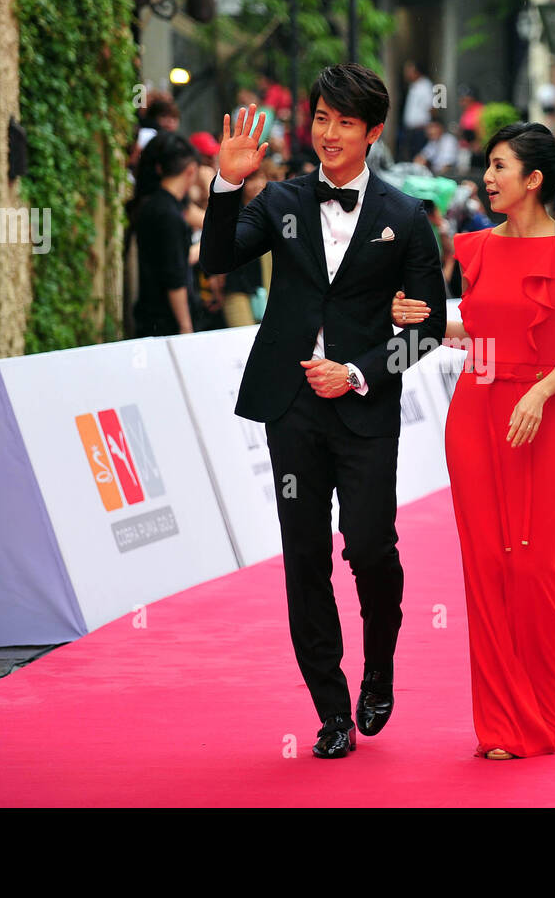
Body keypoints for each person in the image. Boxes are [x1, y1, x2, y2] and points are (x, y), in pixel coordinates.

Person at [200, 65, 447, 760]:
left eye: (344, 122)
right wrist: (227, 185)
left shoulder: (405, 217)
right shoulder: (278, 199)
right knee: (304, 554)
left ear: (372, 132)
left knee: (370, 547)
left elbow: (426, 330)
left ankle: (379, 668)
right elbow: (217, 259)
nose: (328, 133)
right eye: (320, 119)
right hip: (292, 405)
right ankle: (331, 706)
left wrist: (361, 372)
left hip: (366, 410)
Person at [392, 122, 555, 759]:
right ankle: (506, 724)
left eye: (500, 167)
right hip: (476, 411)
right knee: (484, 567)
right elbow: (474, 328)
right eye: (487, 166)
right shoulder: (474, 247)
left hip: (539, 414)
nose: (487, 177)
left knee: (531, 563)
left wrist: (539, 394)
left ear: (534, 180)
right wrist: (421, 317)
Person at [132, 133, 199, 337]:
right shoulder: (169, 214)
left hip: (152, 315)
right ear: (191, 170)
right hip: (165, 322)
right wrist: (185, 326)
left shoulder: (155, 205)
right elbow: (175, 276)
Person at [400, 61, 433, 160]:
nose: (407, 73)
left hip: (421, 129)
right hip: (411, 129)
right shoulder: (414, 85)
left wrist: (430, 126)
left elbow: (431, 108)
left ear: (417, 72)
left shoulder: (425, 85)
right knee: (411, 155)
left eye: (409, 71)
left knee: (419, 157)